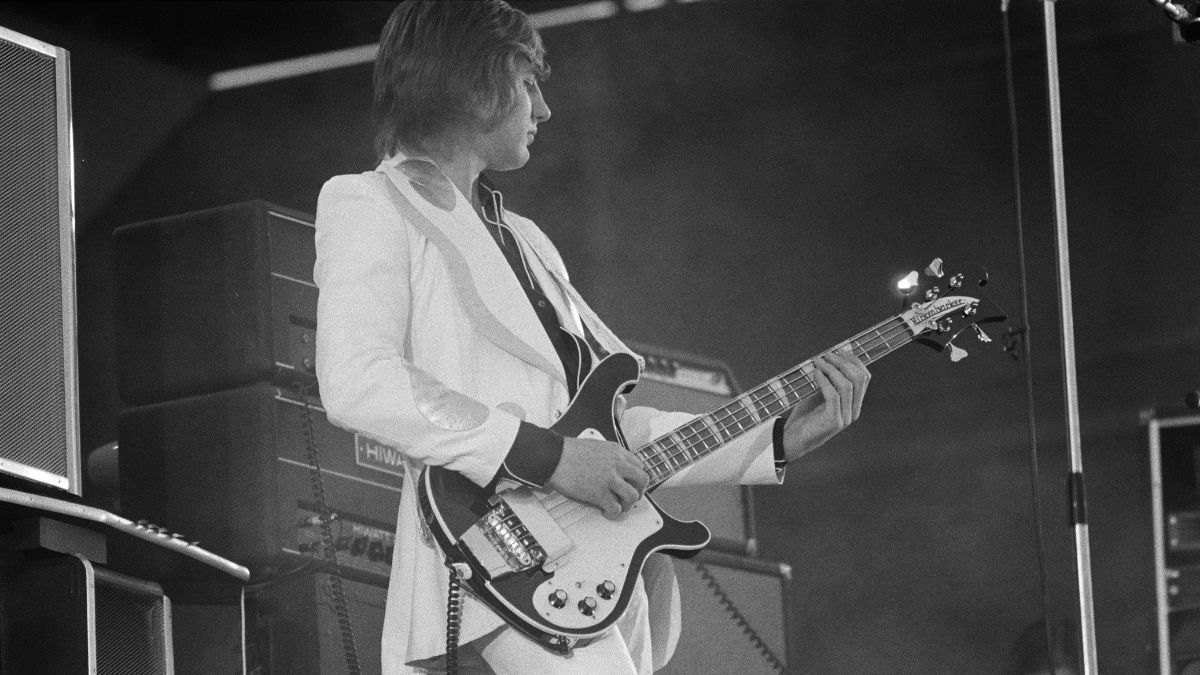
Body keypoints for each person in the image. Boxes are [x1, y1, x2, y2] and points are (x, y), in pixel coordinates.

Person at [312, 1, 871, 673]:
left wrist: (777, 436)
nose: (544, 109)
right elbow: (357, 380)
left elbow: (609, 431)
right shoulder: (368, 203)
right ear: (470, 79)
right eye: (528, 82)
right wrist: (548, 457)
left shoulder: (529, 241)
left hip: (590, 577)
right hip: (494, 564)